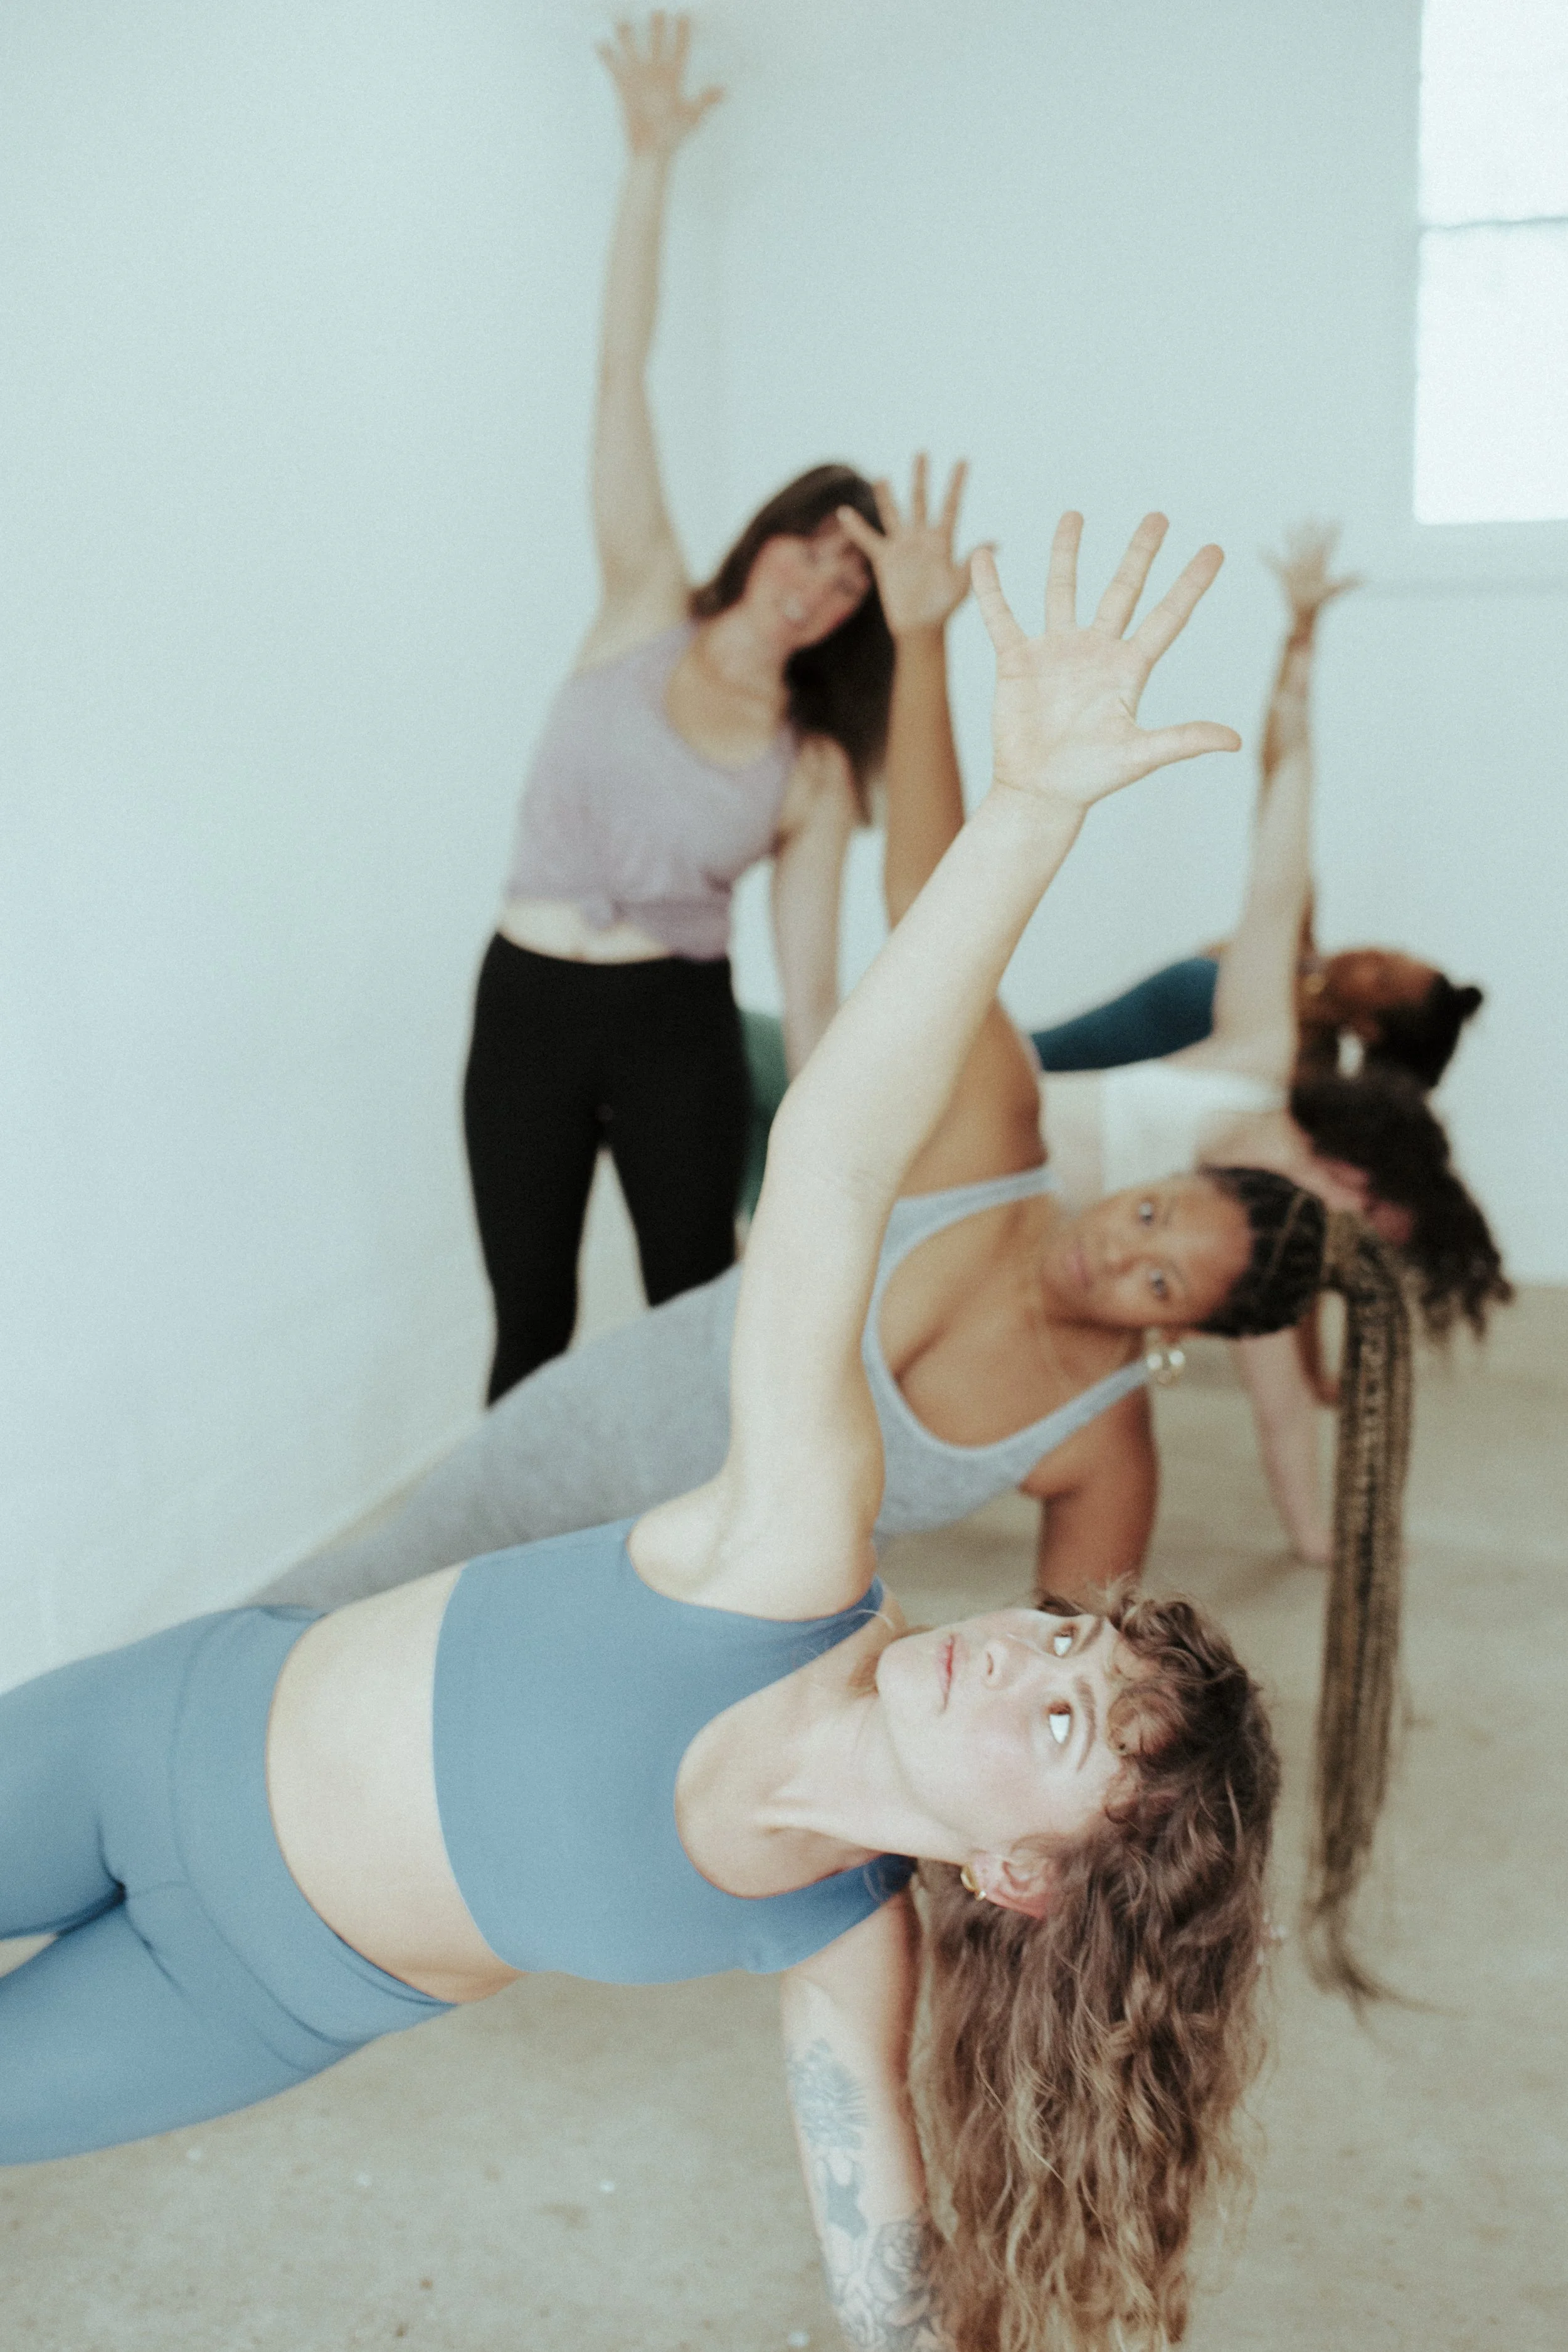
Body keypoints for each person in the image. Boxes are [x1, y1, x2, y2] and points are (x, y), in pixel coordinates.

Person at [5, 517, 1320, 2351]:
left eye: (1058, 1719)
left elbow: (884, 2275)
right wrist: (1026, 810)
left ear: (1019, 1876)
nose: (1027, 1643)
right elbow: (843, 1160)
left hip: (254, 1994)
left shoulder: (833, 1941)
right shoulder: (789, 1561)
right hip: (156, 1736)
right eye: (1072, 1642)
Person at [267, 494, 1429, 1614]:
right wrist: (931, 653)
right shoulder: (994, 1153)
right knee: (344, 1608)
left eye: (1161, 1279)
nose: (1114, 1254)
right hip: (576, 1452)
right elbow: (929, 898)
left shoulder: (1100, 1443)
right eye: (1147, 1215)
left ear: (1181, 1334)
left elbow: (1055, 1668)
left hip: (684, 1593)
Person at [829, 503, 1507, 1565]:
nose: (1353, 1236)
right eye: (1372, 1211)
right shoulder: (1255, 1066)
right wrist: (1299, 647)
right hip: (912, 1091)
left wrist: (1324, 1548)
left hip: (892, 1198)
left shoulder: (1239, 1250)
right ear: (1358, 1161)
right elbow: (1282, 843)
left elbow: (1284, 1419)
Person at [467, 15, 893, 1400]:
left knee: (686, 1321)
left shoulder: (814, 761)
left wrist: (820, 1183)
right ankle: (494, 1586)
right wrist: (645, 165)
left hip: (677, 1029)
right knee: (528, 1321)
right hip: (526, 996)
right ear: (767, 532)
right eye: (811, 544)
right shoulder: (644, 598)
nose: (818, 583)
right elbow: (617, 372)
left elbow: (815, 991)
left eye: (850, 578)